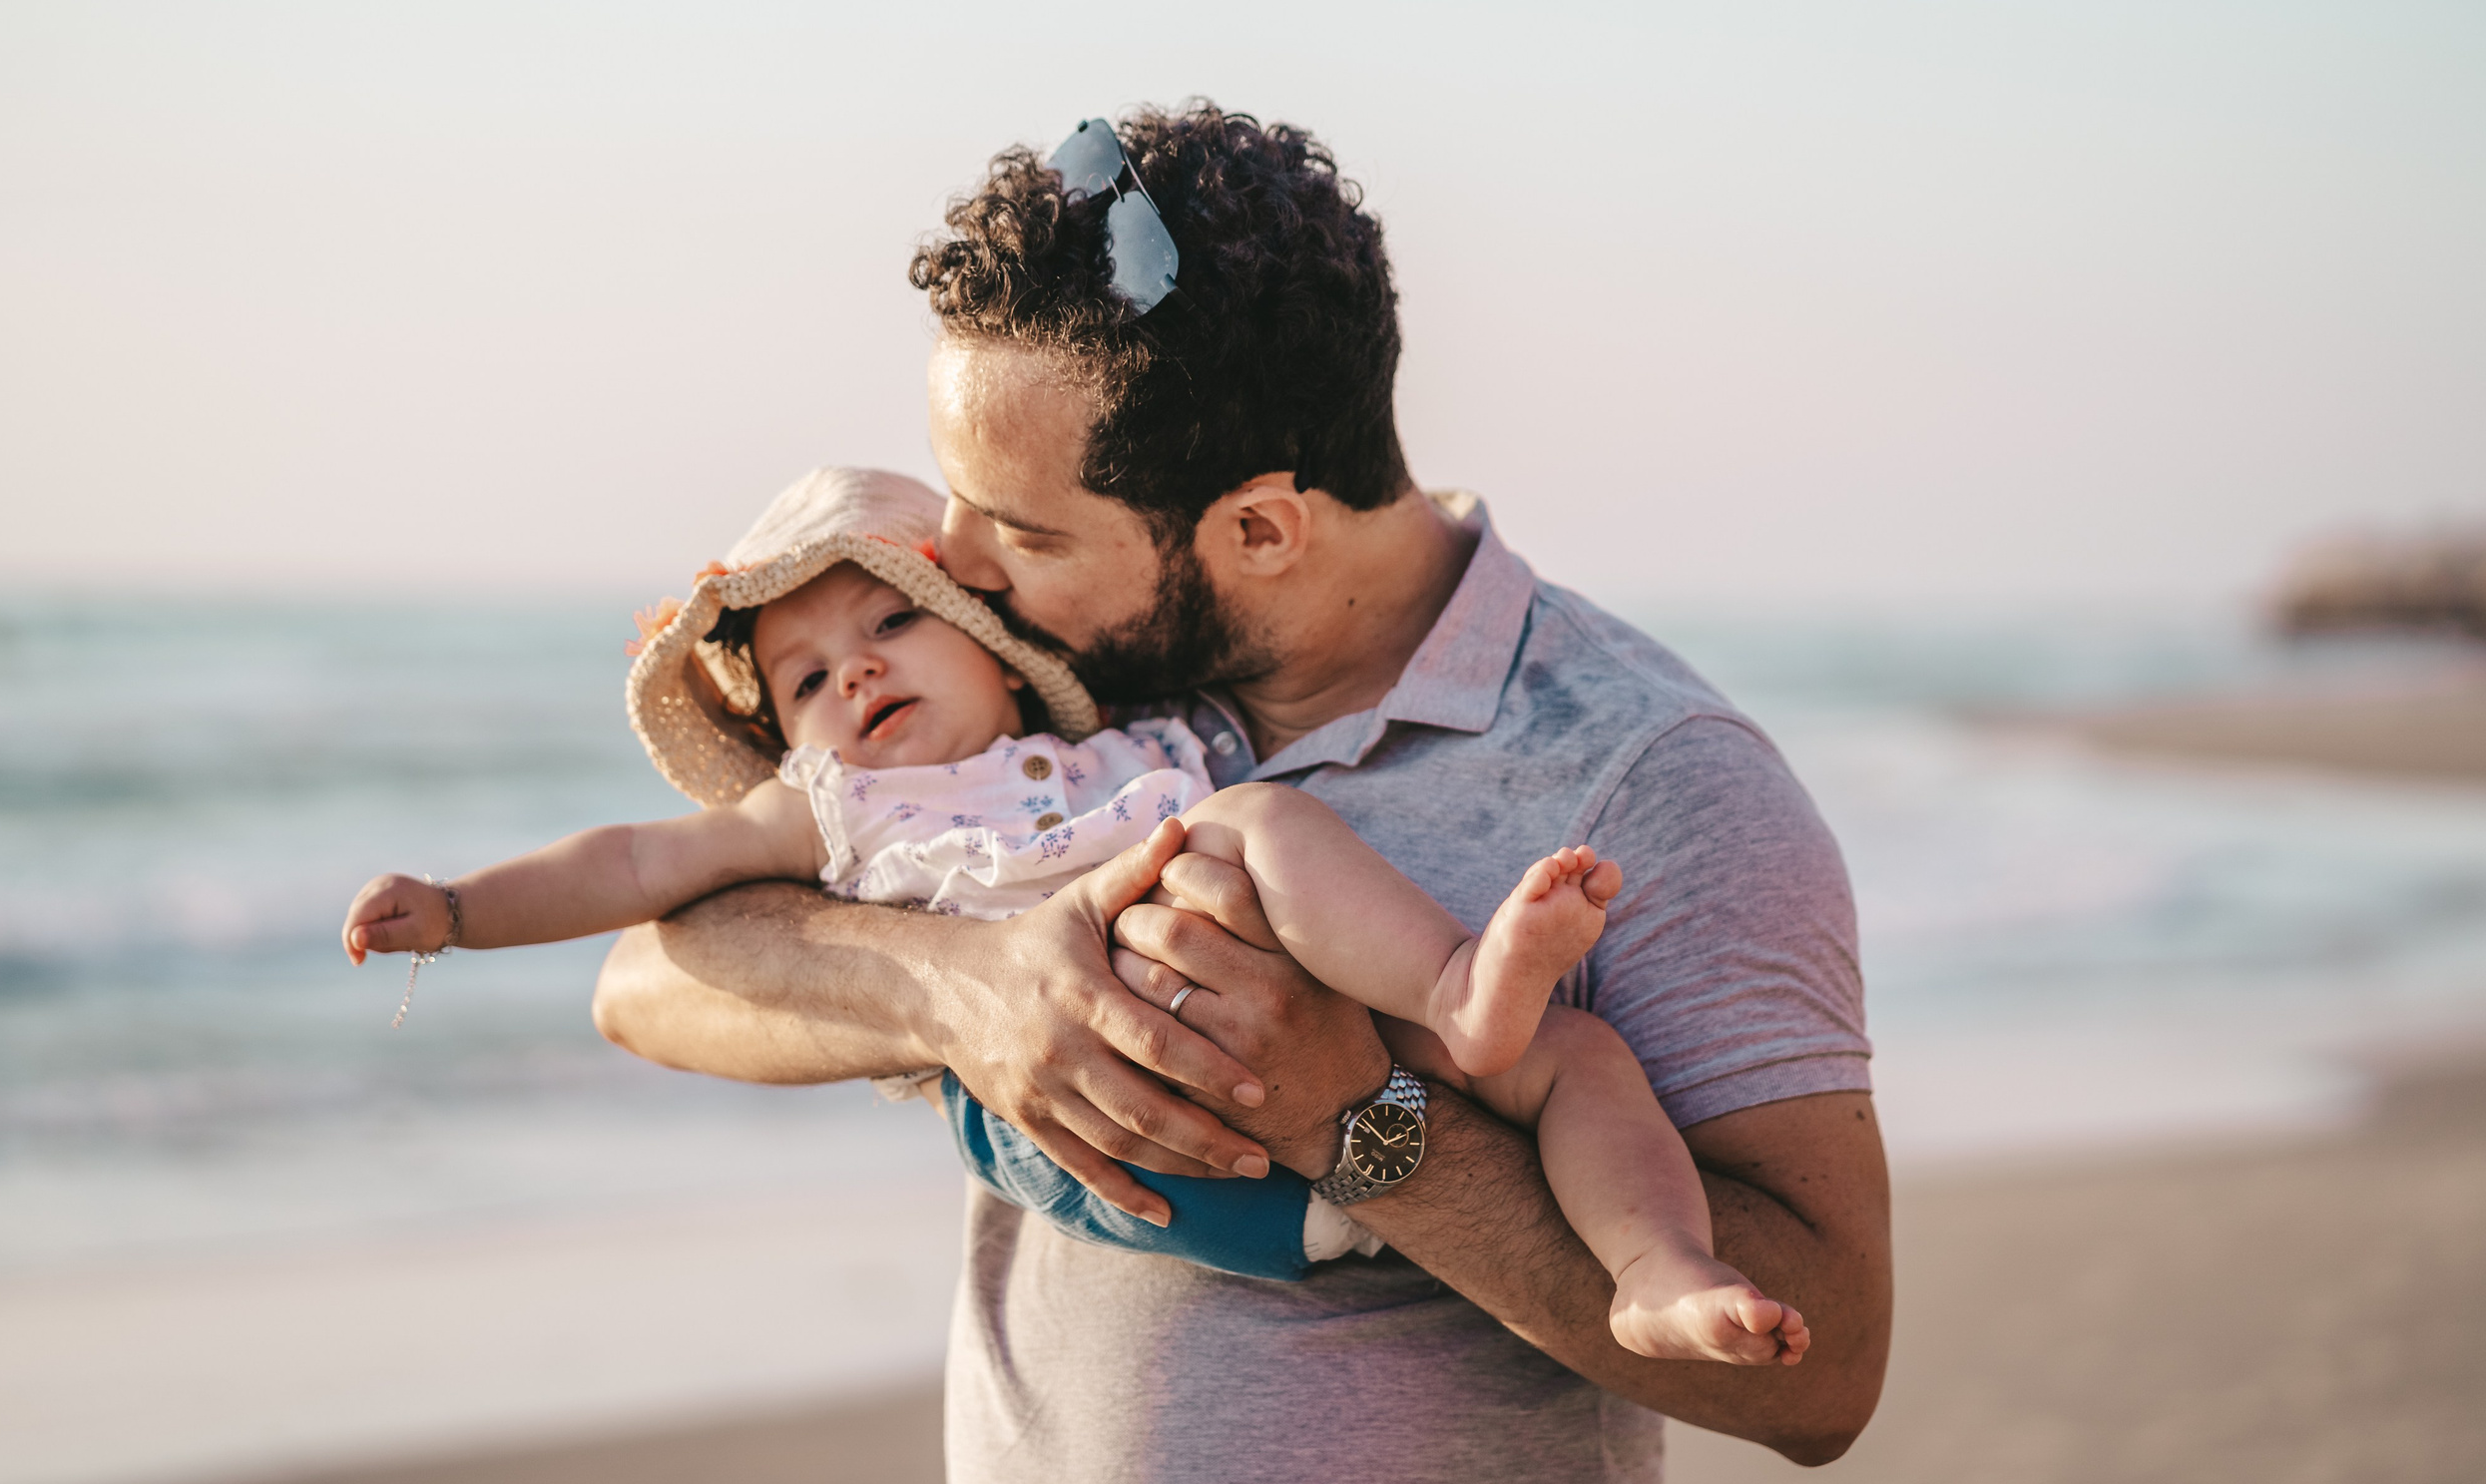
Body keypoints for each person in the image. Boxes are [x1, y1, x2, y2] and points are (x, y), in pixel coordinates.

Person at [593, 105, 1890, 1484]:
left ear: (1260, 530)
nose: (952, 569)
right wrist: (972, 990)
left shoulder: (1654, 778)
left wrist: (1358, 1122)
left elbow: (1825, 1377)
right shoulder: (1061, 704)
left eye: (1017, 528)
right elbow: (647, 981)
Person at [341, 465, 1811, 1364]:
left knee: (1578, 1061)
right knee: (1251, 829)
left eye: (891, 622)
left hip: (1327, 1084)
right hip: (1141, 1149)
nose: (853, 675)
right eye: (804, 678)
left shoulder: (1135, 741)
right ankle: (1457, 987)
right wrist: (461, 907)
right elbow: (634, 876)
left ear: (989, 641)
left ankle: (1653, 1267)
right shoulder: (840, 813)